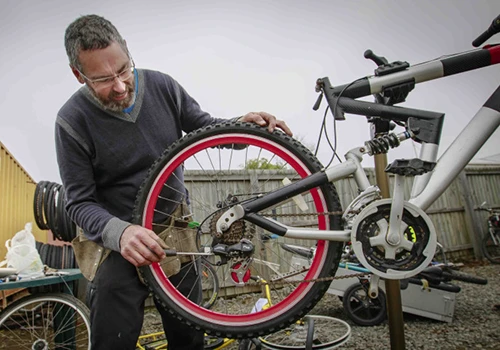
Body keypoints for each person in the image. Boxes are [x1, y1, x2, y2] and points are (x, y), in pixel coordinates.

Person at [55, 14, 292, 350]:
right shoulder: (71, 121)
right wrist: (120, 233)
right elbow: (78, 202)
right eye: (103, 79)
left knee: (189, 338)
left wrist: (242, 126)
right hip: (118, 243)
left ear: (128, 52)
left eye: (124, 69)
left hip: (176, 233)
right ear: (78, 75)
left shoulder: (162, 86)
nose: (121, 86)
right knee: (112, 340)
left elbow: (203, 129)